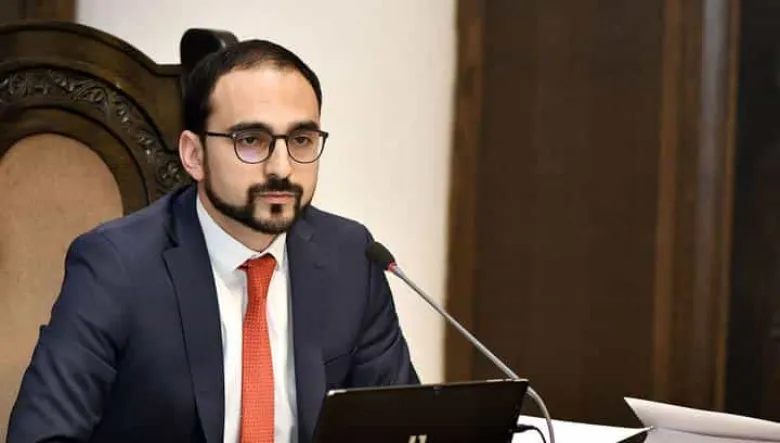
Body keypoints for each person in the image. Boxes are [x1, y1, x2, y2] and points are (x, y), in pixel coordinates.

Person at [7, 39, 419, 443]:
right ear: (194, 155)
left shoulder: (352, 257)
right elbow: (42, 435)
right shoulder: (117, 266)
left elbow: (400, 428)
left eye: (301, 140)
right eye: (251, 140)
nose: (281, 168)